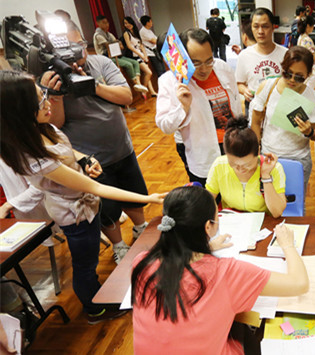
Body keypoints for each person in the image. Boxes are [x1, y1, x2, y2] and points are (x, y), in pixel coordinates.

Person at [0, 70, 164, 323]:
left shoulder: (42, 126)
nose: (47, 101)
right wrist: (148, 198)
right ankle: (94, 308)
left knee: (88, 258)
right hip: (74, 215)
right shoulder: (34, 156)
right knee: (85, 265)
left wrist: (85, 159)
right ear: (20, 112)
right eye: (40, 99)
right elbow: (95, 187)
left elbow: (66, 151)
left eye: (43, 94)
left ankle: (97, 296)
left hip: (85, 204)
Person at [132, 186, 308, 354]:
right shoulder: (226, 273)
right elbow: (299, 283)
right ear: (208, 226)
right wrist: (287, 244)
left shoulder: (142, 262)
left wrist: (203, 247)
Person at [42, 26, 152, 263]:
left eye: (79, 44)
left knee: (134, 194)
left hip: (121, 148)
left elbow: (125, 96)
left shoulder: (101, 63)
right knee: (106, 207)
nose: (76, 52)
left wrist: (92, 84)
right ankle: (119, 245)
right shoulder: (53, 78)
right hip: (91, 159)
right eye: (67, 49)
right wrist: (56, 95)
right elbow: (56, 124)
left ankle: (141, 228)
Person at [156, 28, 241, 185]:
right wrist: (183, 107)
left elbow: (235, 106)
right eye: (196, 63)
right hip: (204, 155)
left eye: (209, 61)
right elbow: (165, 126)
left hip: (234, 147)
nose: (204, 69)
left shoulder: (222, 68)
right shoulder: (169, 81)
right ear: (183, 58)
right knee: (209, 201)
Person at [251, 46, 315, 185]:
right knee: (267, 201)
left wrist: (310, 132)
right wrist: (256, 152)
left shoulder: (312, 98)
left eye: (299, 77)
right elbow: (255, 122)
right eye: (287, 73)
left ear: (308, 74)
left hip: (298, 159)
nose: (291, 80)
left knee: (295, 203)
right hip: (268, 155)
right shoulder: (267, 87)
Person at [206, 118, 287, 217]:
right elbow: (207, 201)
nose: (240, 169)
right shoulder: (219, 165)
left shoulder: (274, 168)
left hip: (263, 222)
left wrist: (266, 176)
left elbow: (277, 212)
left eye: (247, 164)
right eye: (233, 164)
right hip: (231, 220)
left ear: (258, 152)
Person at [236, 8, 288, 108]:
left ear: (273, 28)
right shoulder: (244, 56)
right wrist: (245, 91)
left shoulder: (285, 54)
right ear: (251, 28)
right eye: (256, 26)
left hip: (279, 108)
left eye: (265, 26)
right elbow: (239, 84)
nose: (260, 31)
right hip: (254, 108)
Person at [93, 15, 148, 93]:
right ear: (98, 23)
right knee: (128, 64)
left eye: (107, 22)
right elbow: (109, 45)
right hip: (106, 58)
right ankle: (135, 83)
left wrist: (118, 43)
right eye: (104, 23)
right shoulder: (98, 35)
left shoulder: (109, 34)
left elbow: (118, 43)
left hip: (117, 55)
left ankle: (138, 84)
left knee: (135, 63)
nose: (107, 24)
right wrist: (118, 43)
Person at [122, 16, 157, 96]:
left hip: (140, 55)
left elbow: (141, 45)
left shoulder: (136, 32)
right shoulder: (126, 33)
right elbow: (129, 46)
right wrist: (141, 55)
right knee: (148, 72)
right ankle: (144, 89)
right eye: (125, 23)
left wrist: (144, 55)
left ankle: (151, 91)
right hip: (133, 56)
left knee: (148, 72)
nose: (127, 25)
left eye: (128, 22)